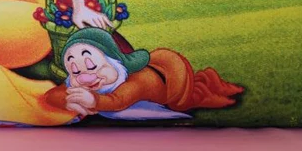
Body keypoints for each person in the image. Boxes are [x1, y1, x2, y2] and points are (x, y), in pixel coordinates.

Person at [44, 28, 243, 119]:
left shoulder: (135, 82)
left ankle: (213, 85)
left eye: (92, 66)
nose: (85, 77)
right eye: (75, 71)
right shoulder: (79, 81)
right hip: (155, 71)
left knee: (188, 98)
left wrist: (94, 101)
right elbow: (52, 95)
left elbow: (118, 101)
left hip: (170, 77)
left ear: (112, 61)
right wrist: (67, 100)